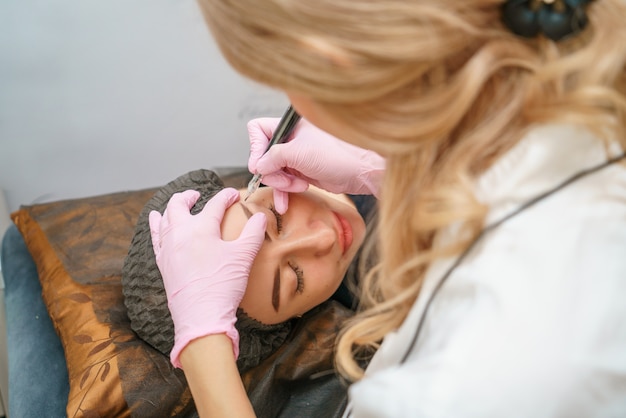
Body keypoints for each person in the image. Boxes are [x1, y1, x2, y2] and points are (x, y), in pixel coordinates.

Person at [149, 0, 626, 416]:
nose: (319, 239)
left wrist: (202, 342)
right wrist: (401, 166)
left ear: (332, 63)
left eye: (274, 220)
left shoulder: (476, 375)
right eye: (291, 279)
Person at [122, 169, 367, 372]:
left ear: (245, 188)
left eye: (274, 218)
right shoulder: (394, 305)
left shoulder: (315, 138)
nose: (323, 238)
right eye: (296, 279)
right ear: (298, 316)